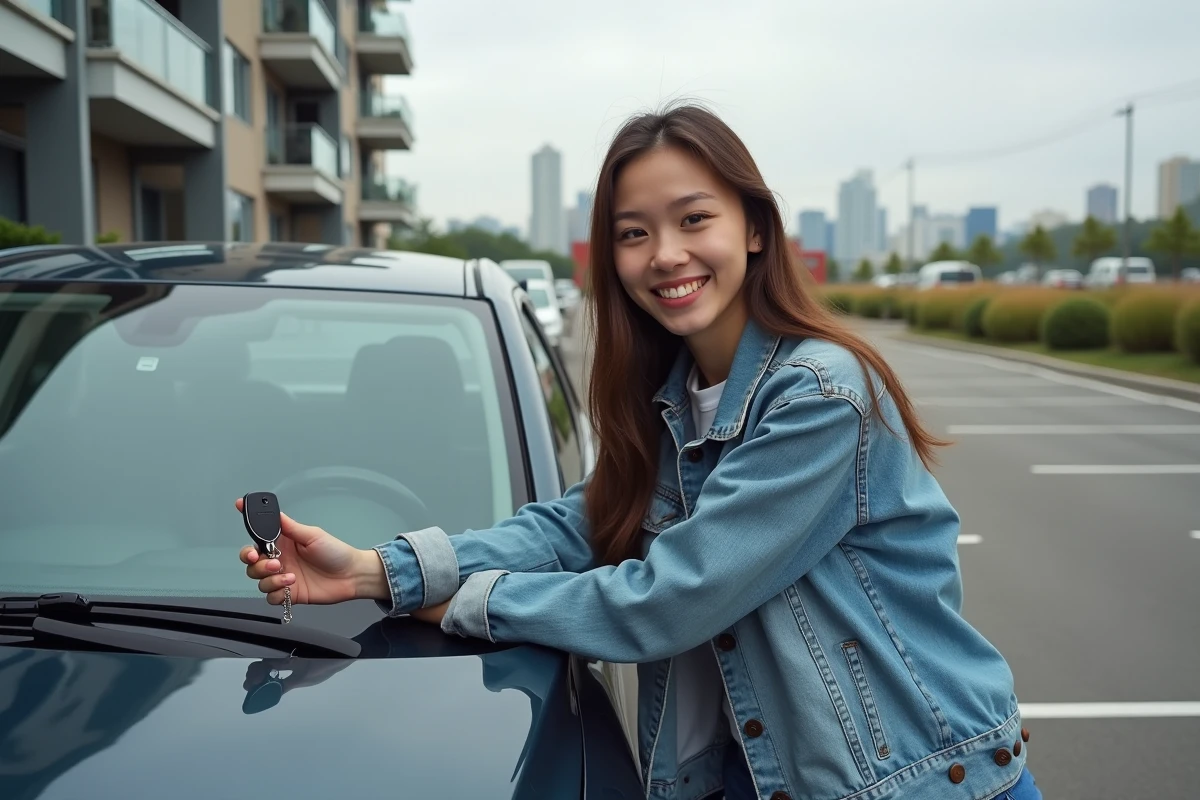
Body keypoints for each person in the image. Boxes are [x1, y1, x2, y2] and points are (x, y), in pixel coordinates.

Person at [237, 103, 1041, 800]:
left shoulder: (821, 396)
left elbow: (672, 597)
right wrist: (378, 570)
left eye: (695, 219)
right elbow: (576, 524)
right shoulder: (675, 400)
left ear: (755, 229)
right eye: (634, 233)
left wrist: (471, 602)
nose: (664, 254)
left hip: (909, 781)